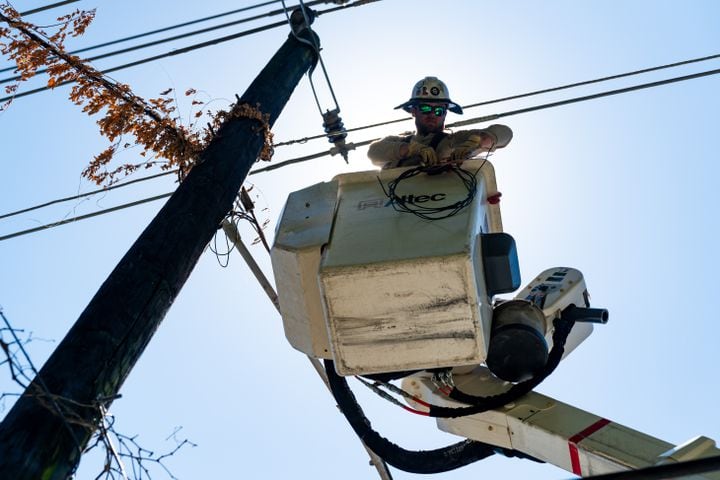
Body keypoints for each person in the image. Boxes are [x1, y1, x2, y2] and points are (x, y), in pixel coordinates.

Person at [367, 76, 513, 169]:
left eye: (438, 111)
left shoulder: (453, 140)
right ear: (413, 111)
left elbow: (505, 133)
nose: (432, 114)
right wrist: (412, 149)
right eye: (425, 108)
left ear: (445, 114)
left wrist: (479, 141)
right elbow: (373, 152)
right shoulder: (395, 141)